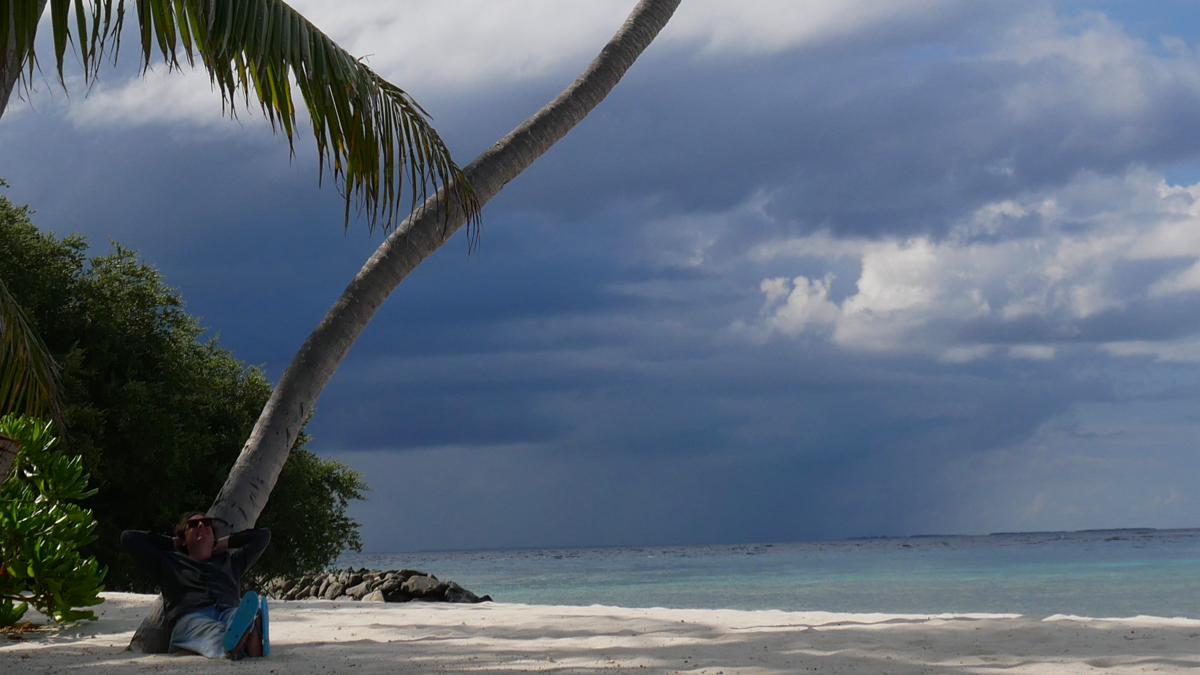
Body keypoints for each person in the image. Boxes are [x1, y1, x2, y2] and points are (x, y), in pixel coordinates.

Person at [122, 513, 271, 659]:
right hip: (191, 617)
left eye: (207, 524)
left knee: (234, 617)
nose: (201, 525)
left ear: (214, 536)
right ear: (183, 539)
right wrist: (173, 543)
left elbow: (263, 536)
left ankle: (243, 639)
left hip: (227, 609)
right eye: (193, 525)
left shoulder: (231, 563)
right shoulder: (168, 563)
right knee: (212, 632)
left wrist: (224, 542)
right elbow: (129, 538)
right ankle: (250, 639)